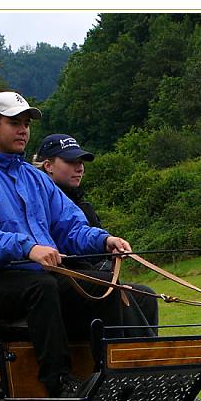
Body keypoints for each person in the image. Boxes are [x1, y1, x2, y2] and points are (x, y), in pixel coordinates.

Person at [0, 91, 135, 397]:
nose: (23, 130)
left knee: (106, 286)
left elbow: (70, 226)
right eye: (14, 123)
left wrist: (104, 239)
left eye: (26, 123)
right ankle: (57, 382)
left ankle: (113, 374)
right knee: (42, 286)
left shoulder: (35, 179)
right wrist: (27, 247)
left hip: (37, 275)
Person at [32, 133, 159, 331]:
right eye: (71, 161)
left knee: (146, 296)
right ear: (48, 166)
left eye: (81, 162)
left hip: (88, 275)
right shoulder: (41, 200)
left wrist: (108, 243)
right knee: (110, 287)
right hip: (61, 279)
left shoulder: (83, 206)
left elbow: (84, 236)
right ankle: (137, 356)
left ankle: (142, 355)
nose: (80, 167)